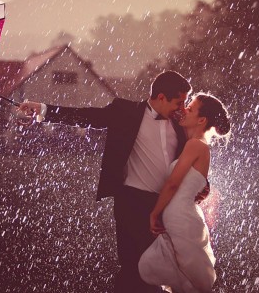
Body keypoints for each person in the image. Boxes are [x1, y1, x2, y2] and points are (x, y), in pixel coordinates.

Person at [19, 71, 209, 293]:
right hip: (131, 201)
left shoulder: (180, 124)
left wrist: (201, 185)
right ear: (160, 97)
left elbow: (191, 159)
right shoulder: (125, 112)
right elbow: (87, 116)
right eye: (179, 102)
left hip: (168, 205)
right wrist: (43, 109)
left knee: (168, 268)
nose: (182, 107)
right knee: (135, 267)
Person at [138, 92, 231, 293]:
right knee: (182, 276)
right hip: (181, 214)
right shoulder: (195, 146)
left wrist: (155, 213)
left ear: (202, 120)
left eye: (189, 108)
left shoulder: (195, 145)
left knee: (185, 278)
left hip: (179, 215)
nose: (184, 110)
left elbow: (173, 184)